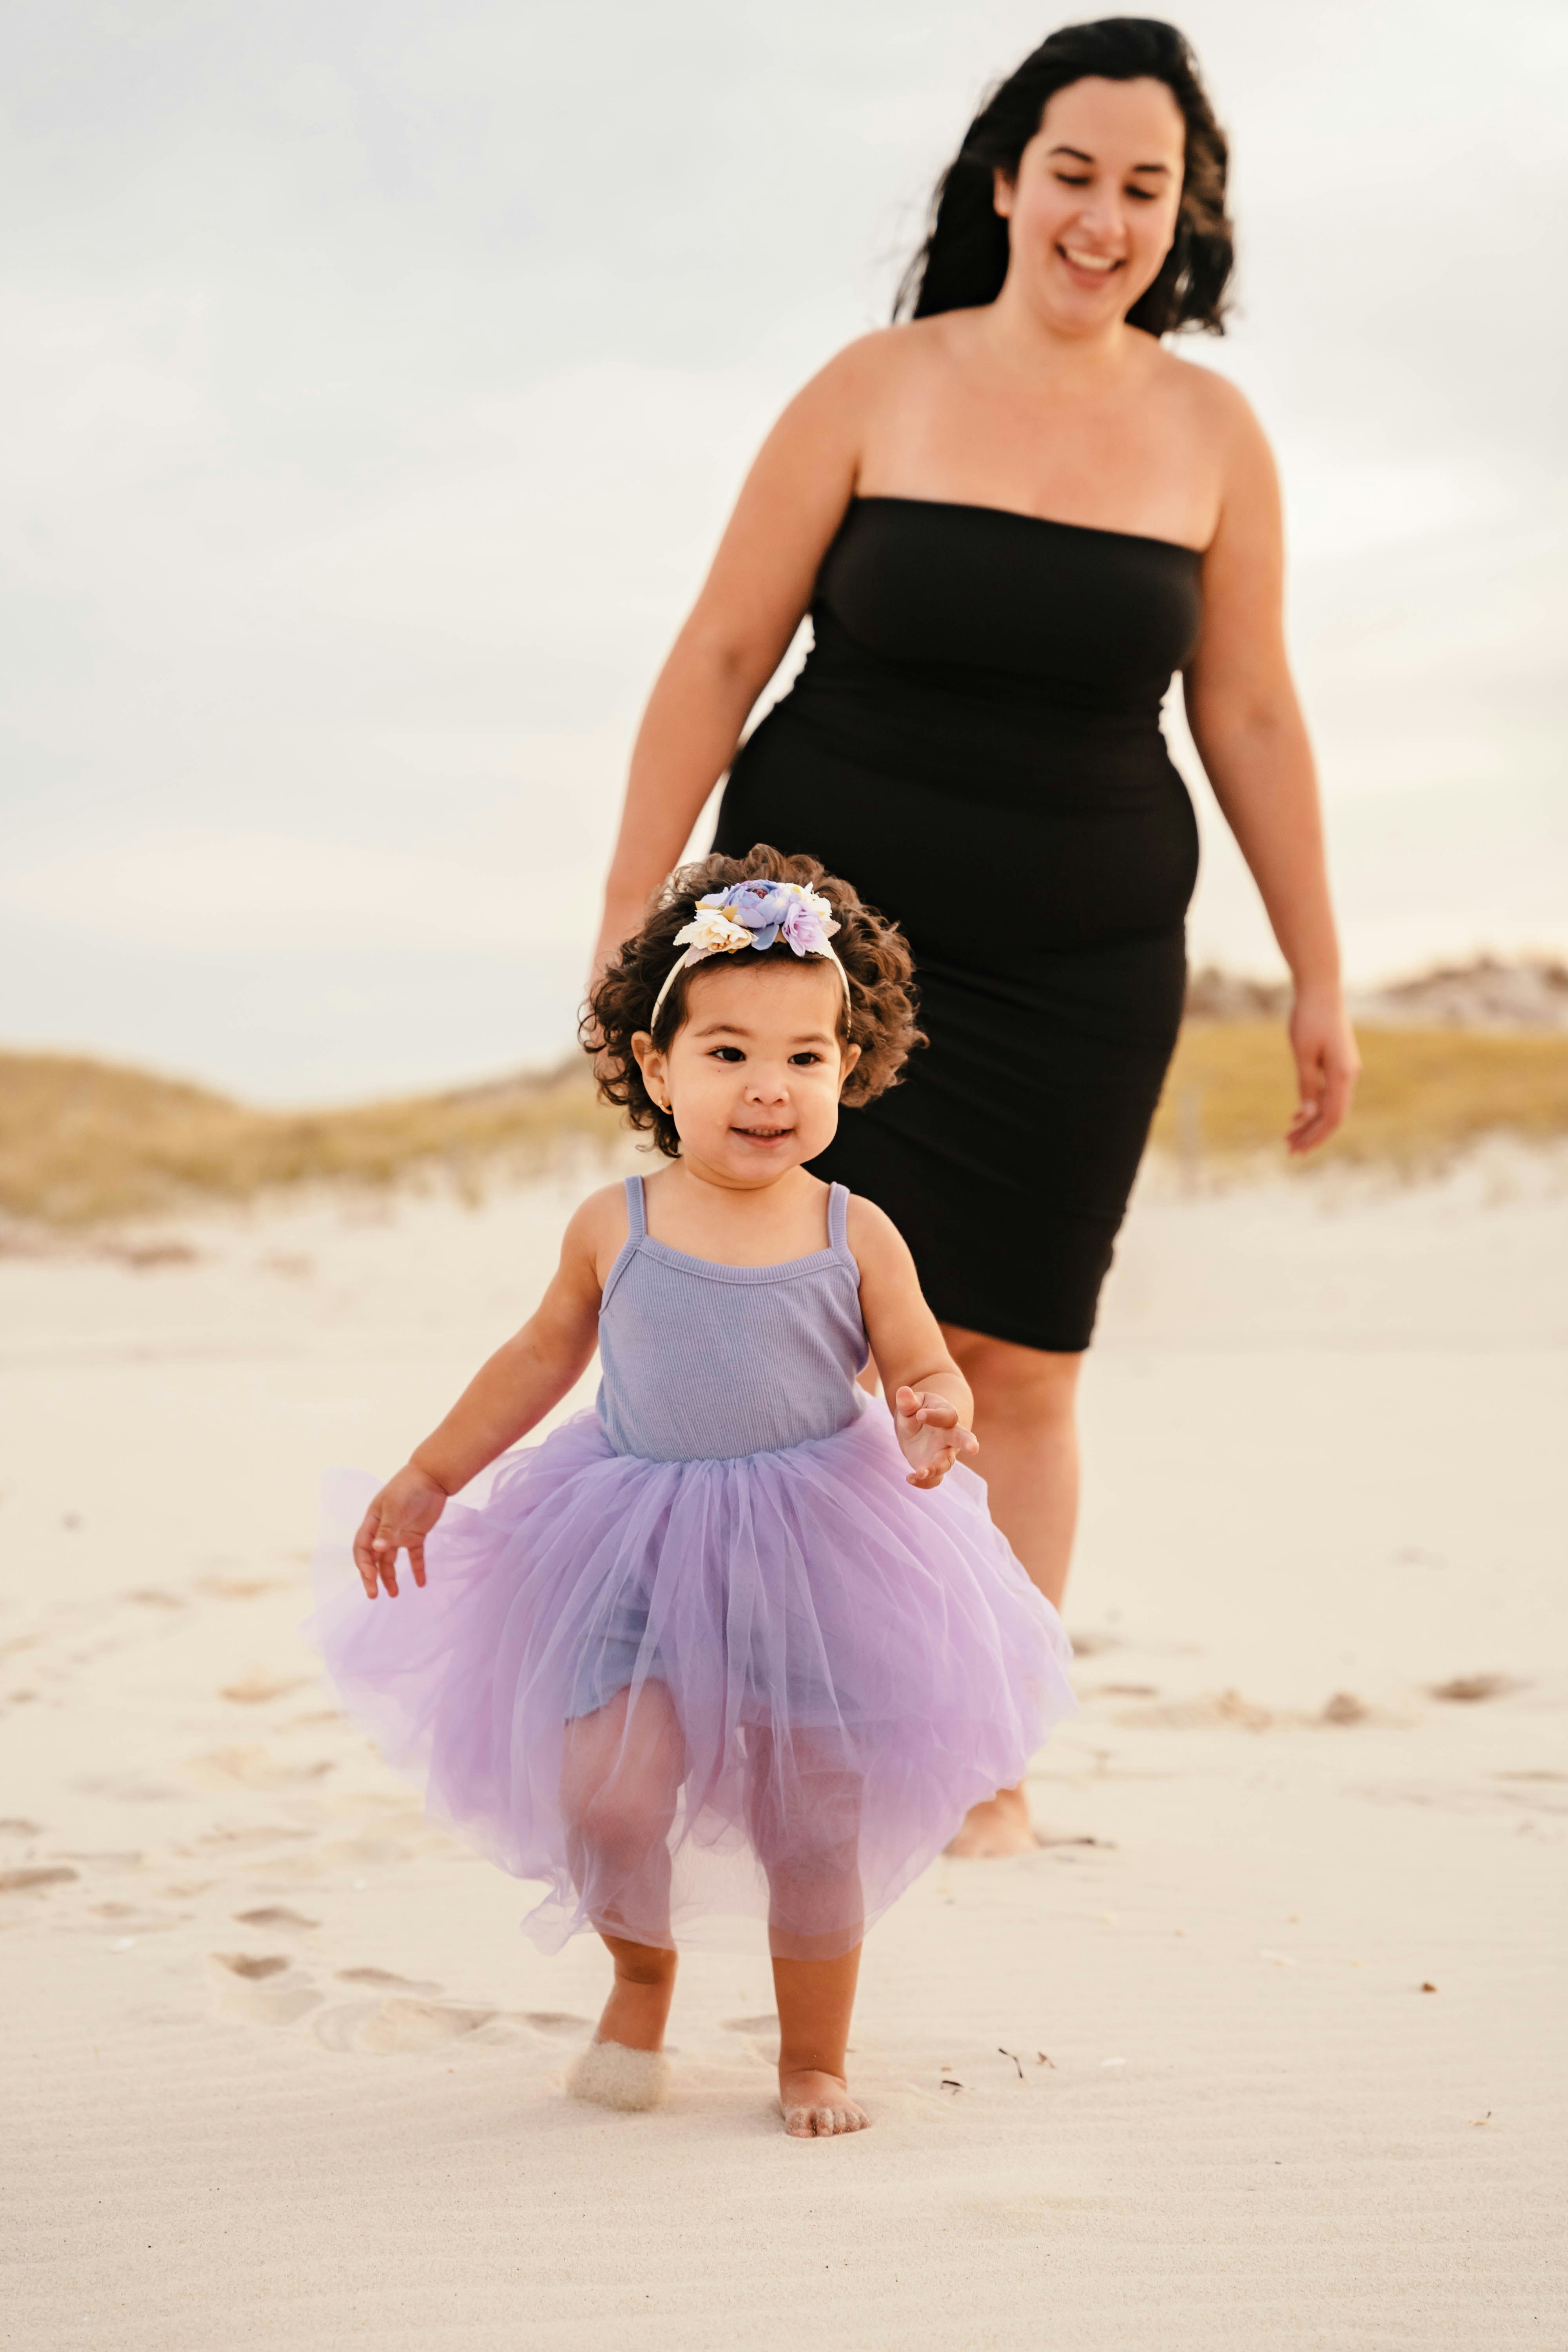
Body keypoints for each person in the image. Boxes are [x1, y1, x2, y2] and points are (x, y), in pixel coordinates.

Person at [589, 19, 1359, 1857]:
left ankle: (980, 1757)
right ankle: (753, 1719)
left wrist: (1318, 967)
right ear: (1006, 179)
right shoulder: (875, 384)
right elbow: (718, 650)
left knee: (1016, 1361)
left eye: (1143, 189)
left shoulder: (1209, 433)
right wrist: (634, 907)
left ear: (1184, 217)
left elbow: (1248, 712)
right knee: (780, 1337)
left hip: (1083, 964)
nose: (1103, 219)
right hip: (820, 972)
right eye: (1073, 174)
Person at [309, 847, 1075, 2139]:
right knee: (606, 1794)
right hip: (627, 1542)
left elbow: (920, 1360)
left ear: (850, 1070)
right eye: (728, 1054)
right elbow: (540, 1356)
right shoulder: (617, 1222)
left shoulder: (854, 1229)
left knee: (815, 1816)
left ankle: (813, 2058)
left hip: (818, 1551)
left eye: (805, 1057)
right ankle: (641, 1976)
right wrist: (433, 1473)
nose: (768, 1087)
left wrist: (938, 1406)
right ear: (656, 1071)